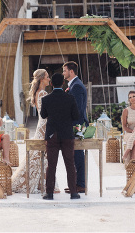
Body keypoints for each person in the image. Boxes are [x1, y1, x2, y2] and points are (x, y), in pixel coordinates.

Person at [12, 69, 56, 194]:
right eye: (47, 76)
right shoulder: (42, 93)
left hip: (41, 126)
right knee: (39, 157)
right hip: (44, 127)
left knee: (39, 157)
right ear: (42, 78)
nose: (49, 79)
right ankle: (39, 184)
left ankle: (42, 184)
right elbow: (46, 114)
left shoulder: (39, 92)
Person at [40, 72, 81, 200]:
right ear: (63, 83)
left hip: (52, 135)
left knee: (51, 165)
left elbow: (43, 115)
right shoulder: (70, 98)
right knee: (69, 163)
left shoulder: (46, 99)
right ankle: (74, 192)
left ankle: (49, 193)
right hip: (67, 134)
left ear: (51, 84)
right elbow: (76, 116)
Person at [63, 61, 87, 193]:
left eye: (65, 71)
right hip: (75, 124)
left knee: (77, 155)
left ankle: (81, 185)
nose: (63, 73)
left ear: (71, 71)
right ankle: (77, 184)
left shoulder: (76, 86)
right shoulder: (74, 85)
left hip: (76, 125)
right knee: (75, 155)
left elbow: (76, 109)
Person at [120, 90, 135, 164]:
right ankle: (133, 161)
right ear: (129, 100)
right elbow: (124, 126)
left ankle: (126, 153)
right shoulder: (126, 111)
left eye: (134, 96)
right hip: (129, 133)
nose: (132, 98)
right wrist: (132, 131)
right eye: (130, 97)